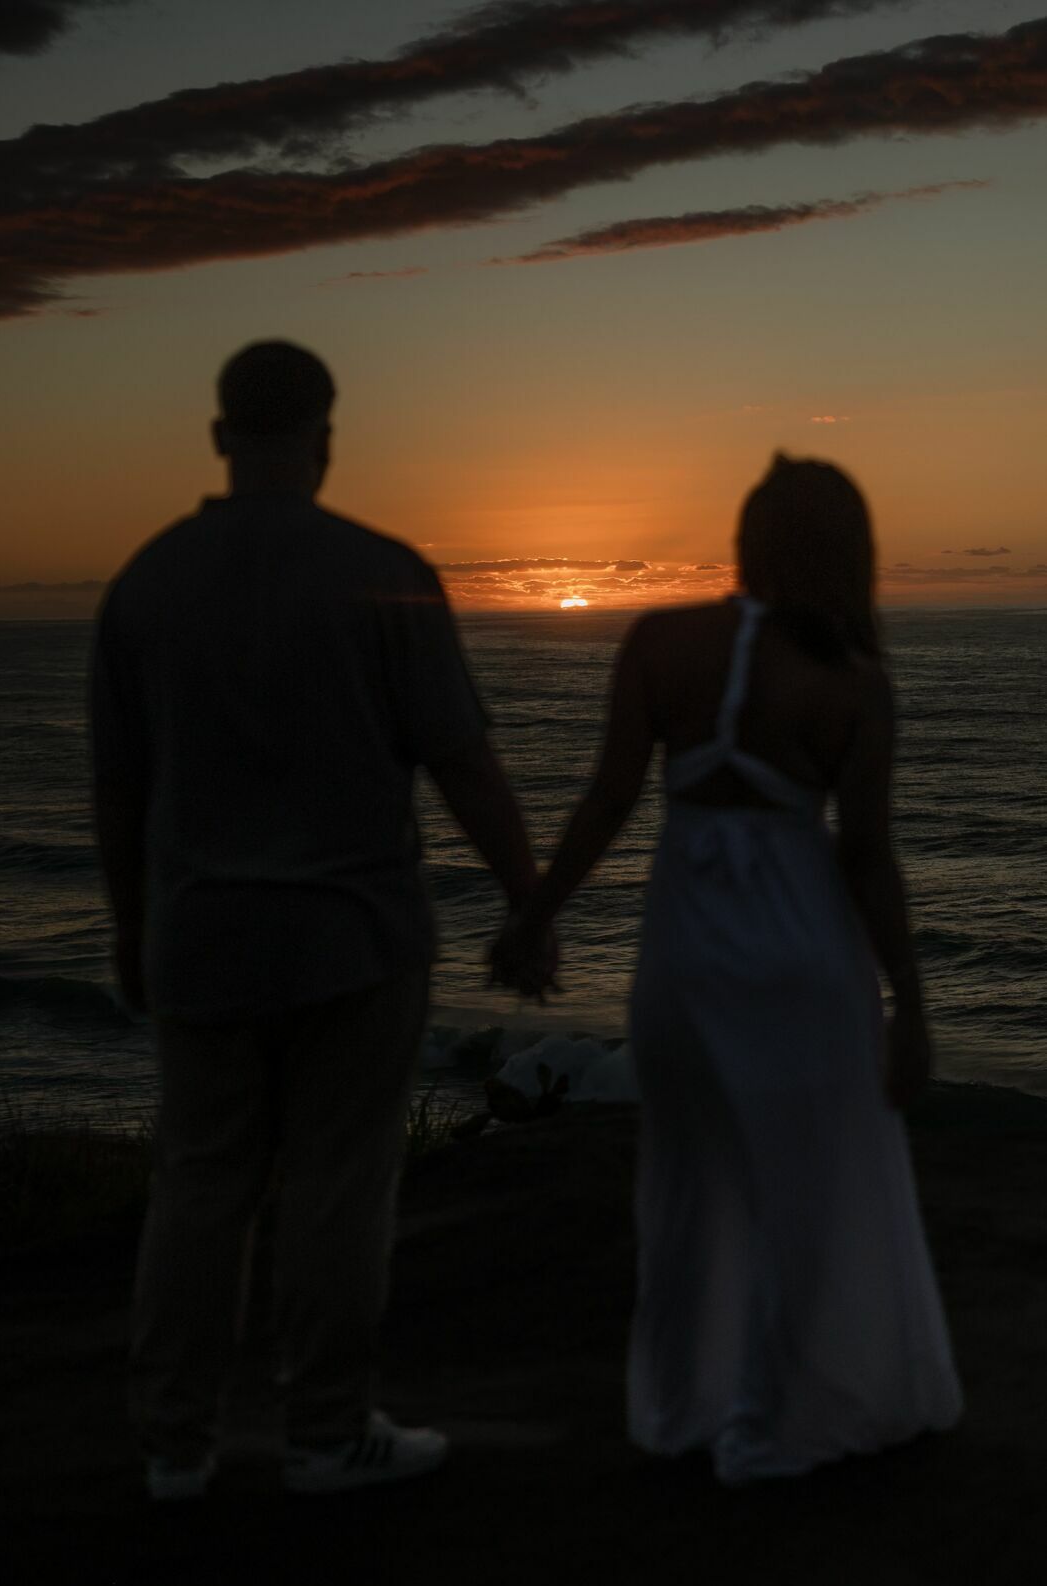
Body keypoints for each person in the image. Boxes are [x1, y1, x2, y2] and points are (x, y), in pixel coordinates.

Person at [90, 339, 549, 1502]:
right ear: (327, 433)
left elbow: (118, 793)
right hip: (352, 942)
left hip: (200, 939)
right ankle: (325, 1429)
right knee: (338, 1187)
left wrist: (128, 930)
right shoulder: (380, 572)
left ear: (217, 435)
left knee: (200, 1183)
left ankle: (173, 1445)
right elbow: (464, 763)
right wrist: (528, 900)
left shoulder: (145, 583)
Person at [492, 455, 963, 1483]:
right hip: (803, 956)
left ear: (747, 539)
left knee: (692, 1180)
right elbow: (866, 856)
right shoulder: (851, 684)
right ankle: (778, 1416)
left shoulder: (661, 642)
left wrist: (533, 916)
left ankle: (691, 1406)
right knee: (806, 1184)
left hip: (688, 954)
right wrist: (910, 1001)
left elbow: (609, 800)